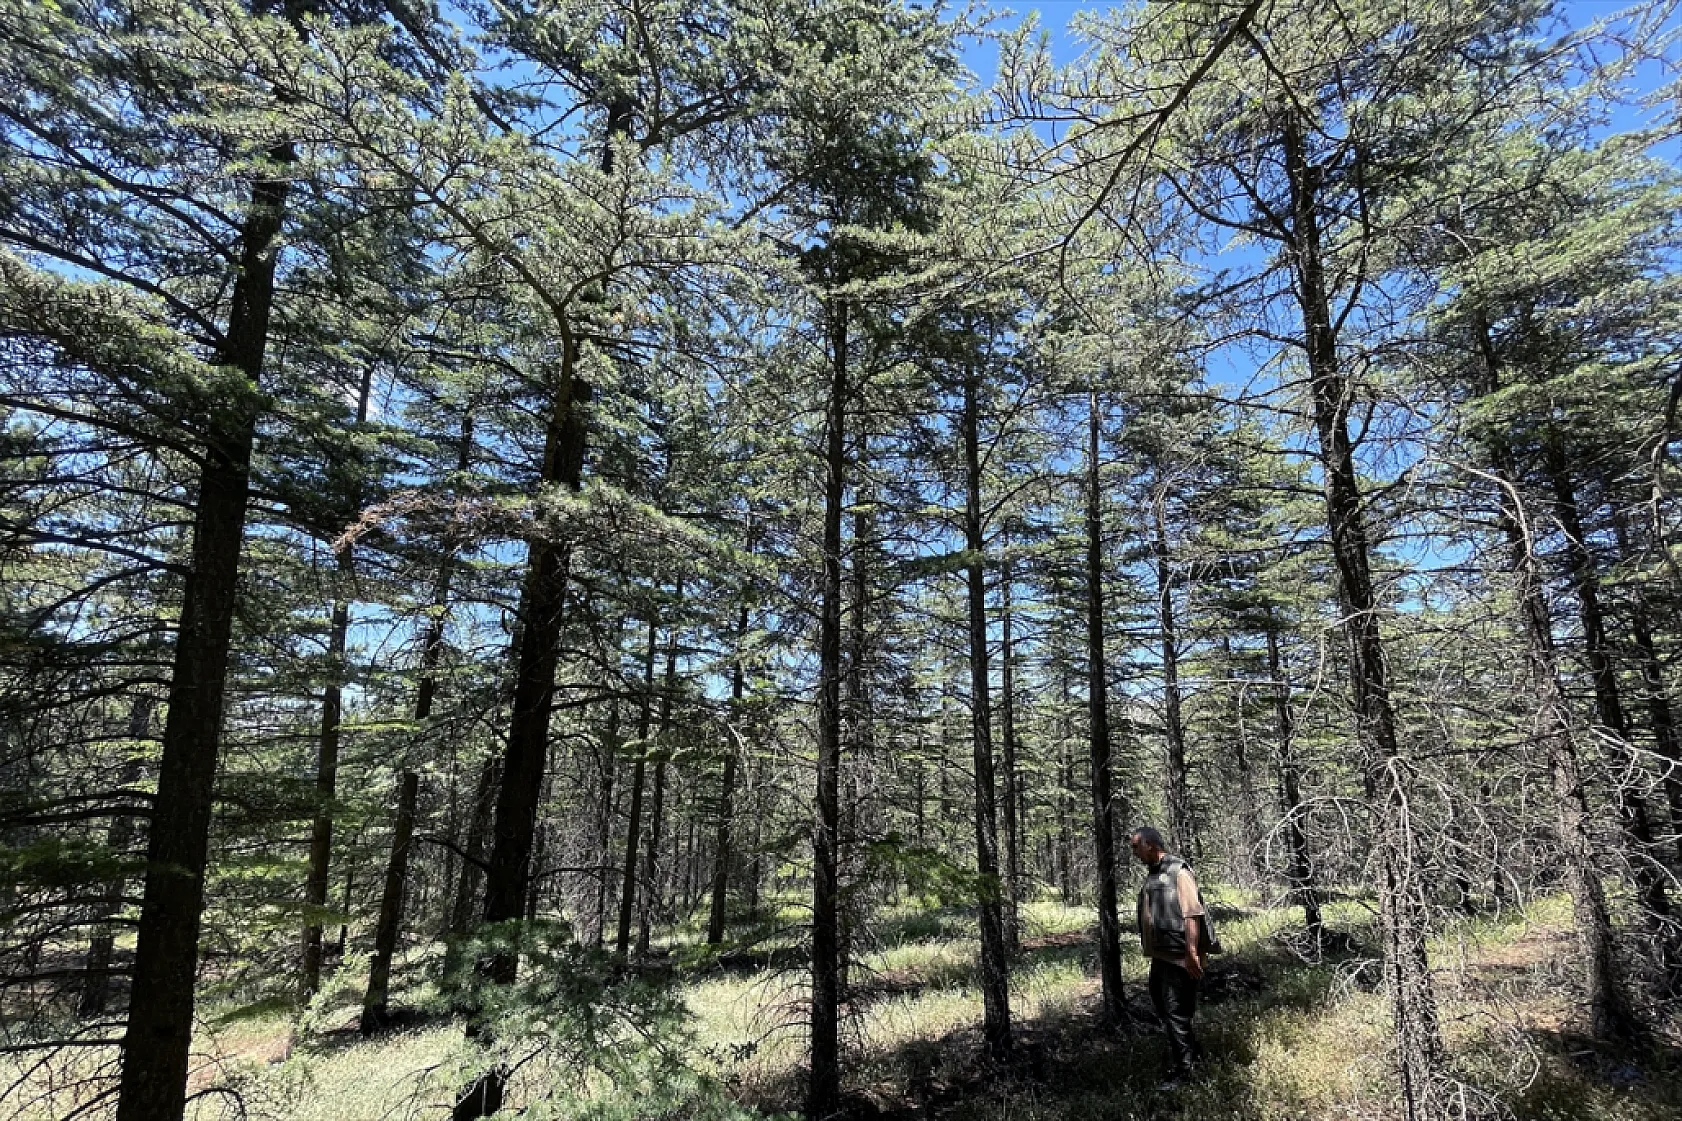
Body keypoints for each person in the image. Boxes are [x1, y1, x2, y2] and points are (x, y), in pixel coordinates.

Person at [1130, 826, 1207, 1088]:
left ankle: (1186, 1073)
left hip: (1179, 957)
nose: (1134, 853)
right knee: (1164, 1007)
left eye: (1136, 847)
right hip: (1162, 957)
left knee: (1176, 1011)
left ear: (1150, 845)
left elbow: (1192, 914)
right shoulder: (1155, 874)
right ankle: (1193, 1054)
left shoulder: (1179, 872)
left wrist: (1192, 953)